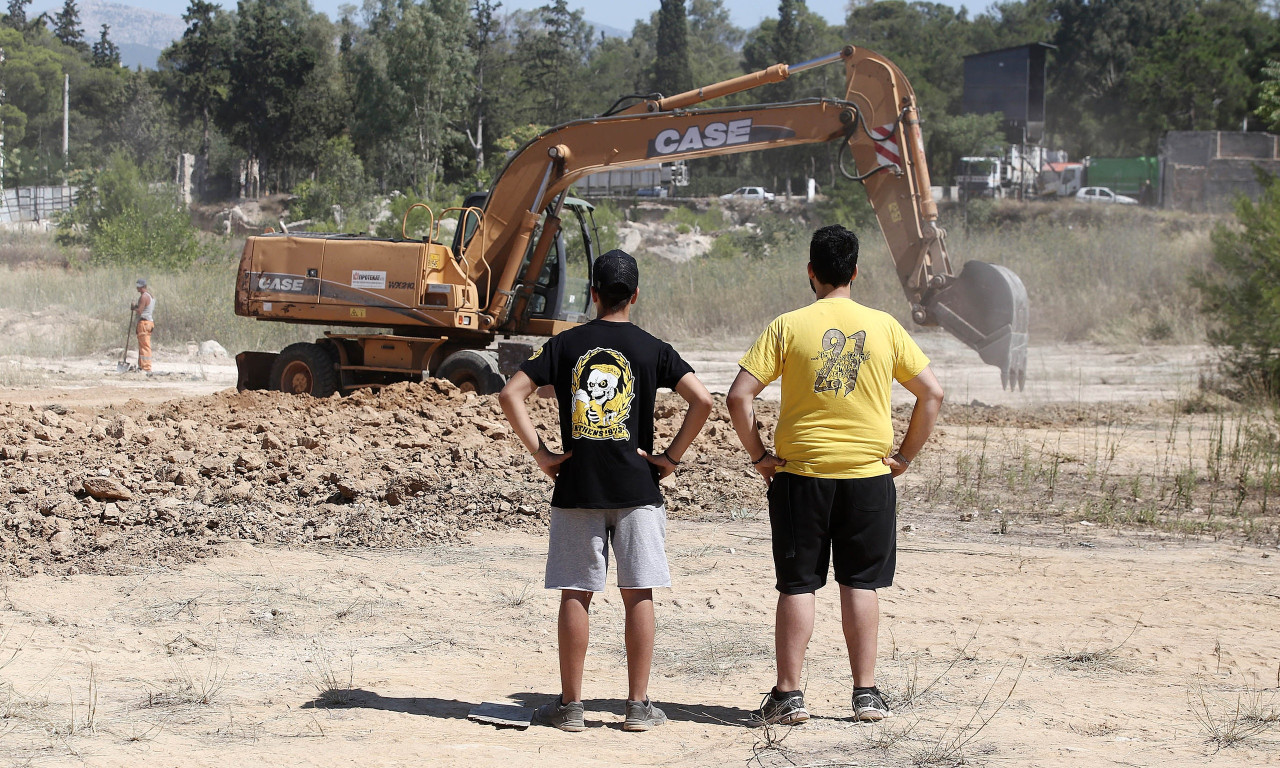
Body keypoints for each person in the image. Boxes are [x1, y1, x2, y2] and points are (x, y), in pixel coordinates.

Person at [726, 224, 944, 725]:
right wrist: (903, 458)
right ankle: (865, 694)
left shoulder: (787, 326)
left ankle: (789, 695)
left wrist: (761, 457)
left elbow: (740, 396)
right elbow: (931, 394)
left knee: (798, 585)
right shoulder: (885, 327)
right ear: (855, 271)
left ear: (811, 272)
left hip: (801, 477)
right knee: (860, 584)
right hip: (868, 478)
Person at [499, 249, 713, 733]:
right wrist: (670, 458)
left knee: (577, 592)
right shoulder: (652, 347)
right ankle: (637, 706)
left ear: (592, 293)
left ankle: (571, 707)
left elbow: (510, 393)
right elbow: (701, 399)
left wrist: (543, 454)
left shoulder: (566, 344)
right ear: (635, 295)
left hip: (577, 486)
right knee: (639, 594)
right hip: (638, 488)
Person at [132, 278, 155, 372]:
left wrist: (134, 307)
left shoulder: (144, 297)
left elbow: (140, 311)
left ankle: (146, 367)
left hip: (144, 323)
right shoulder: (150, 296)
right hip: (148, 323)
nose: (137, 288)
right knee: (143, 345)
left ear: (142, 287)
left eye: (138, 286)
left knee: (145, 346)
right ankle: (142, 366)